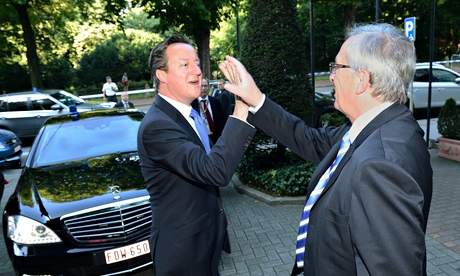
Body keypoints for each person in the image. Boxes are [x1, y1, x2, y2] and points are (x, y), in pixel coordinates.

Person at [220, 23, 433, 275]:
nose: (331, 76)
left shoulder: (380, 165)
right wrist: (255, 98)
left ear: (362, 80)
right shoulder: (381, 126)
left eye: (337, 68)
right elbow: (308, 139)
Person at [137, 35, 256, 276]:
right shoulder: (157, 126)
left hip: (206, 244)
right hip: (183, 254)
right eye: (185, 64)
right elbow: (215, 171)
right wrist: (241, 106)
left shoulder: (188, 113)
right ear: (162, 75)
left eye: (197, 63)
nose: (198, 71)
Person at [191, 78, 226, 144]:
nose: (203, 88)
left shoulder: (215, 101)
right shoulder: (192, 103)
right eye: (202, 86)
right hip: (200, 138)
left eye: (206, 86)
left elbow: (221, 120)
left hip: (215, 137)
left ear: (209, 87)